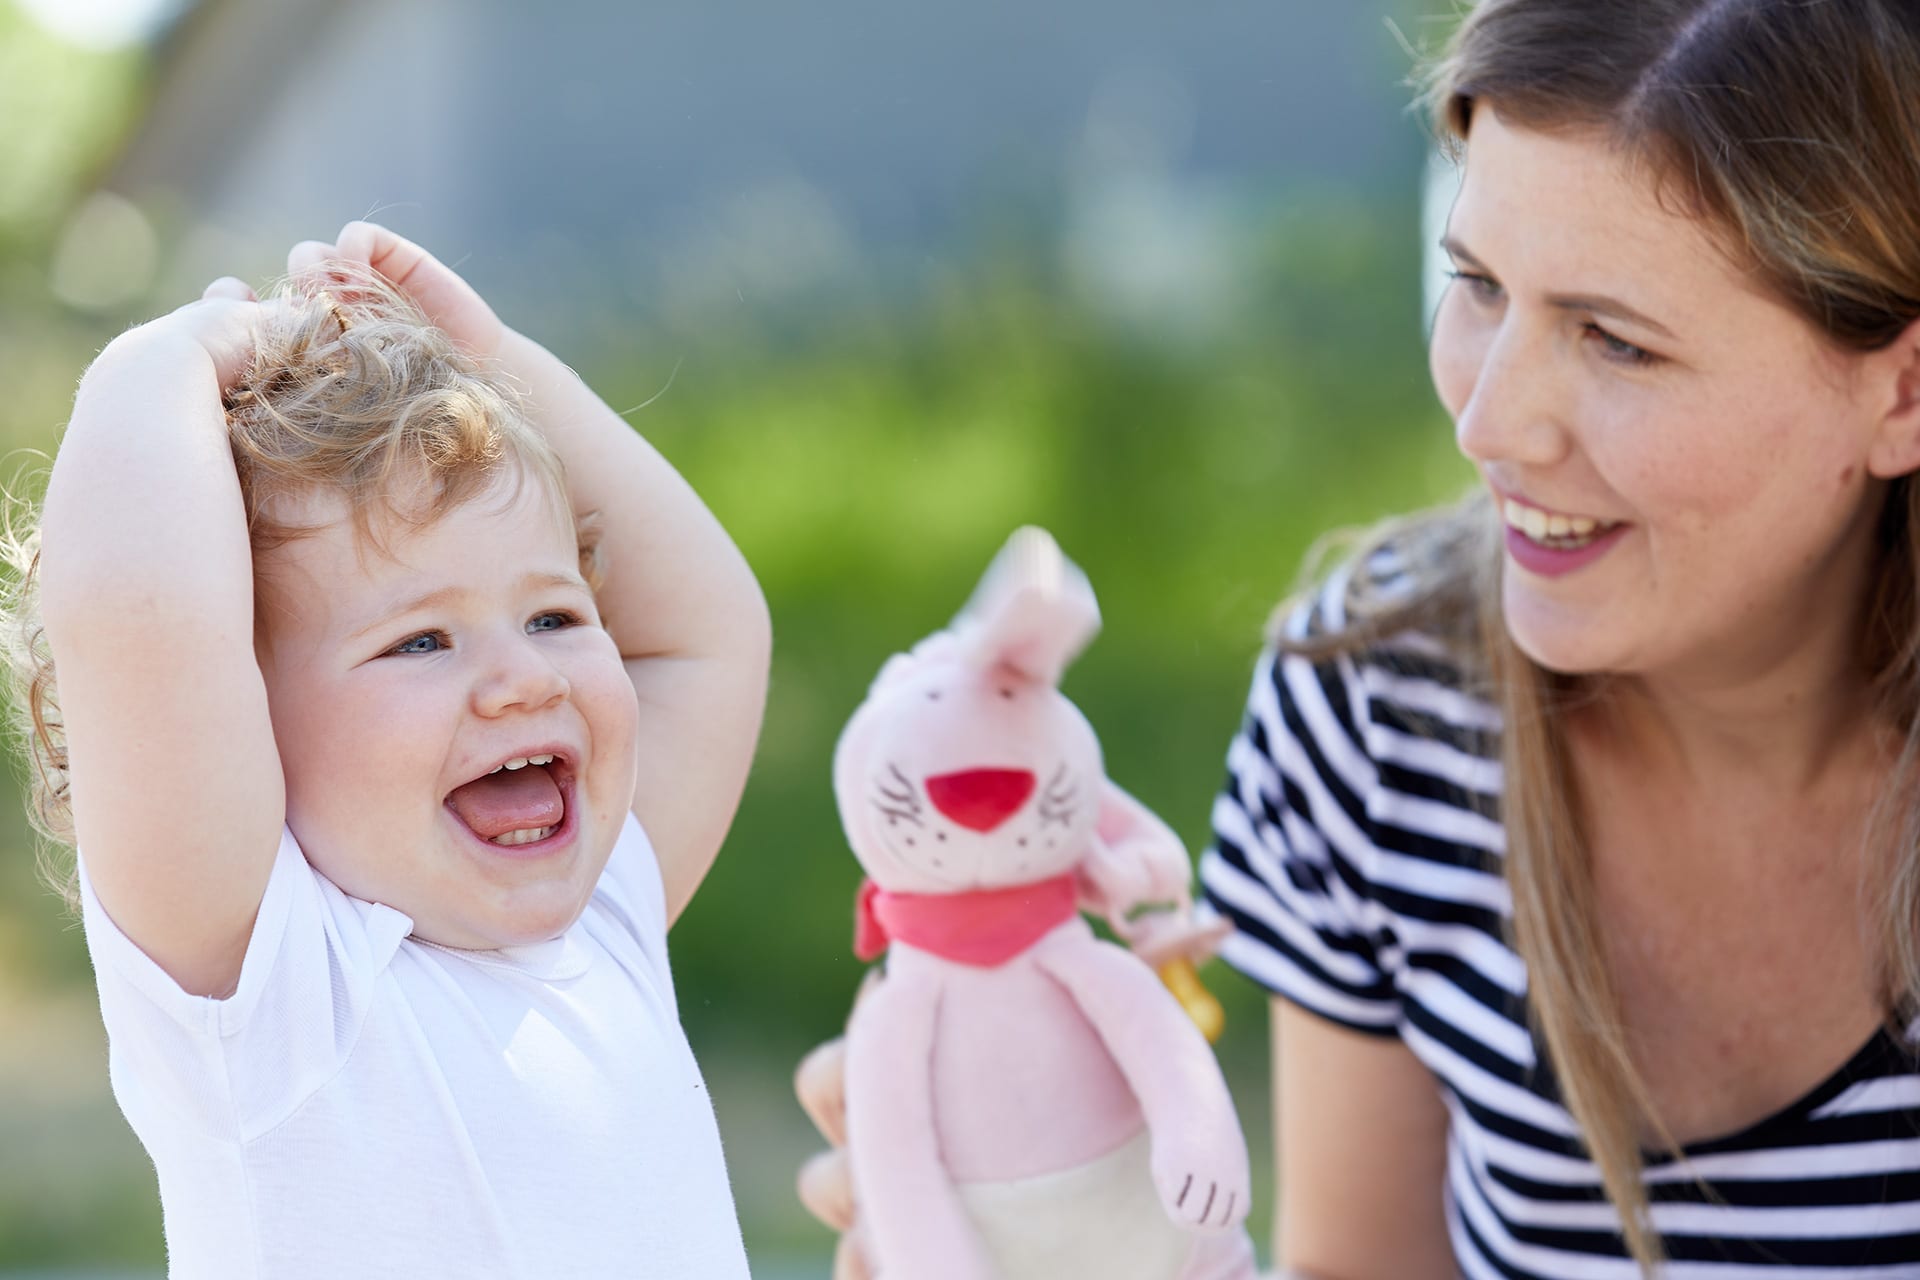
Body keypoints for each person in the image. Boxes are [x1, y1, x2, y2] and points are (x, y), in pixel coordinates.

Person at [796, 0, 1920, 1274]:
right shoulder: (1378, 704)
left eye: (1617, 339)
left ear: (1902, 390)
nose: (1491, 424)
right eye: (1479, 286)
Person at [7, 222, 771, 1277]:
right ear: (244, 724)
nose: (529, 677)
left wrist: (497, 361)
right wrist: (165, 359)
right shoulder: (273, 989)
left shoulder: (609, 913)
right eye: (422, 639)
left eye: (553, 614)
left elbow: (710, 632)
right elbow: (143, 621)